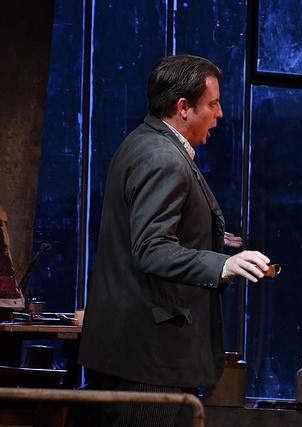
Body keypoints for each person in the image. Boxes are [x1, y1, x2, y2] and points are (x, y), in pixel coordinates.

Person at [77, 54, 271, 426]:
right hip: (147, 360)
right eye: (213, 104)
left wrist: (208, 237)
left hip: (135, 356)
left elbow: (145, 228)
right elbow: (151, 249)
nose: (220, 114)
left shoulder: (143, 142)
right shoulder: (162, 157)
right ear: (183, 107)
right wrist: (224, 265)